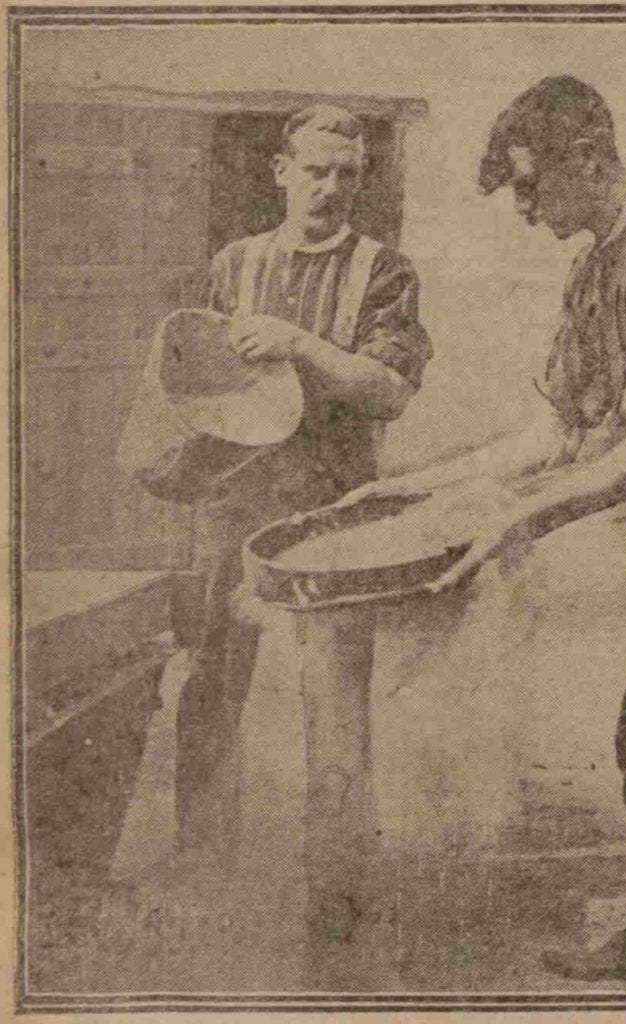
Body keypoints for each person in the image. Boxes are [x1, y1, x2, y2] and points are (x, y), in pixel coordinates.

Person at [340, 76, 626, 982]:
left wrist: (518, 517)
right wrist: (404, 493)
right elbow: (553, 433)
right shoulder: (591, 268)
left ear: (587, 157)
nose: (526, 212)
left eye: (532, 187)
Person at [175, 104, 432, 850]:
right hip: (235, 497)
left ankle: (337, 869)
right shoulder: (234, 264)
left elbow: (390, 392)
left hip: (332, 506)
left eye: (346, 173)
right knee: (214, 674)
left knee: (331, 688)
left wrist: (297, 344)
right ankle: (199, 852)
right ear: (281, 173)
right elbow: (195, 379)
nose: (330, 187)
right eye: (315, 171)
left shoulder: (382, 269)